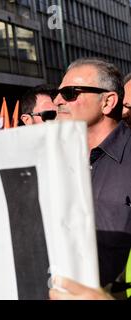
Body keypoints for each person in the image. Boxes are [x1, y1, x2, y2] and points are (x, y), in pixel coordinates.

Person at [52, 58, 131, 296]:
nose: (57, 101)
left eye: (70, 93)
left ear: (108, 102)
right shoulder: (52, 158)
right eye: (58, 93)